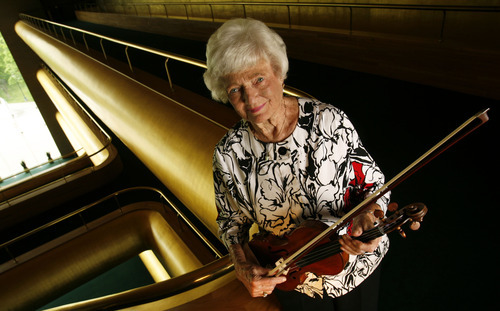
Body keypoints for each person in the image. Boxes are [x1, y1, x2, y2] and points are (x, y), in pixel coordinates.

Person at [203, 18, 391, 311]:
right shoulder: (228, 154)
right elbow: (231, 225)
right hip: (294, 280)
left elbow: (372, 185)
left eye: (258, 79)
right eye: (235, 90)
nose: (251, 98)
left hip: (355, 267)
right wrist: (242, 265)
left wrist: (369, 215)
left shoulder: (329, 121)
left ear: (278, 72)